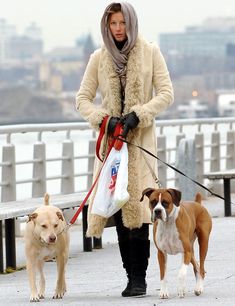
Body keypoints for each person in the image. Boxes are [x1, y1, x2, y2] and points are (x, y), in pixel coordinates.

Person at [76, 1, 174, 297]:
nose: (118, 29)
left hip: (140, 144)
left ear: (131, 23)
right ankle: (130, 276)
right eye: (113, 24)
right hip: (111, 146)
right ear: (107, 27)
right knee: (119, 209)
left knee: (140, 210)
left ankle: (140, 279)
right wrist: (102, 119)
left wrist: (139, 113)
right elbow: (82, 99)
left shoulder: (150, 52)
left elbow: (167, 93)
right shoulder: (98, 57)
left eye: (122, 23)